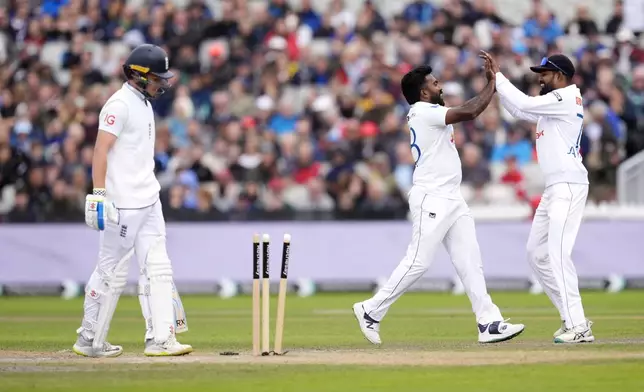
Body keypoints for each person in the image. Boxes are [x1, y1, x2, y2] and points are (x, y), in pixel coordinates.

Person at [352, 53, 525, 345]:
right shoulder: (422, 111)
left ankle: (489, 323)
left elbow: (465, 109)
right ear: (423, 92)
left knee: (470, 261)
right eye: (434, 83)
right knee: (419, 262)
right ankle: (370, 310)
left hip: (452, 198)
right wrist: (493, 83)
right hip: (432, 197)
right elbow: (470, 112)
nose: (439, 85)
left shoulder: (431, 111)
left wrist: (489, 84)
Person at [74, 44, 194, 357]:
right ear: (137, 75)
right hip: (124, 204)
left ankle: (161, 339)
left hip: (149, 198)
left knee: (158, 267)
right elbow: (100, 151)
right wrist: (99, 194)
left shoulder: (143, 102)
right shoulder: (118, 105)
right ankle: (89, 339)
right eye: (156, 77)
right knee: (109, 271)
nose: (162, 83)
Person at [485, 51, 594, 343]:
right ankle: (571, 317)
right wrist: (497, 86)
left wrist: (499, 77)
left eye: (544, 75)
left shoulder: (565, 98)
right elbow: (520, 112)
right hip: (554, 188)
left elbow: (523, 103)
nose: (540, 79)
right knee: (536, 254)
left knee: (558, 254)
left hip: (569, 186)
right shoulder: (553, 105)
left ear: (559, 76)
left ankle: (579, 326)